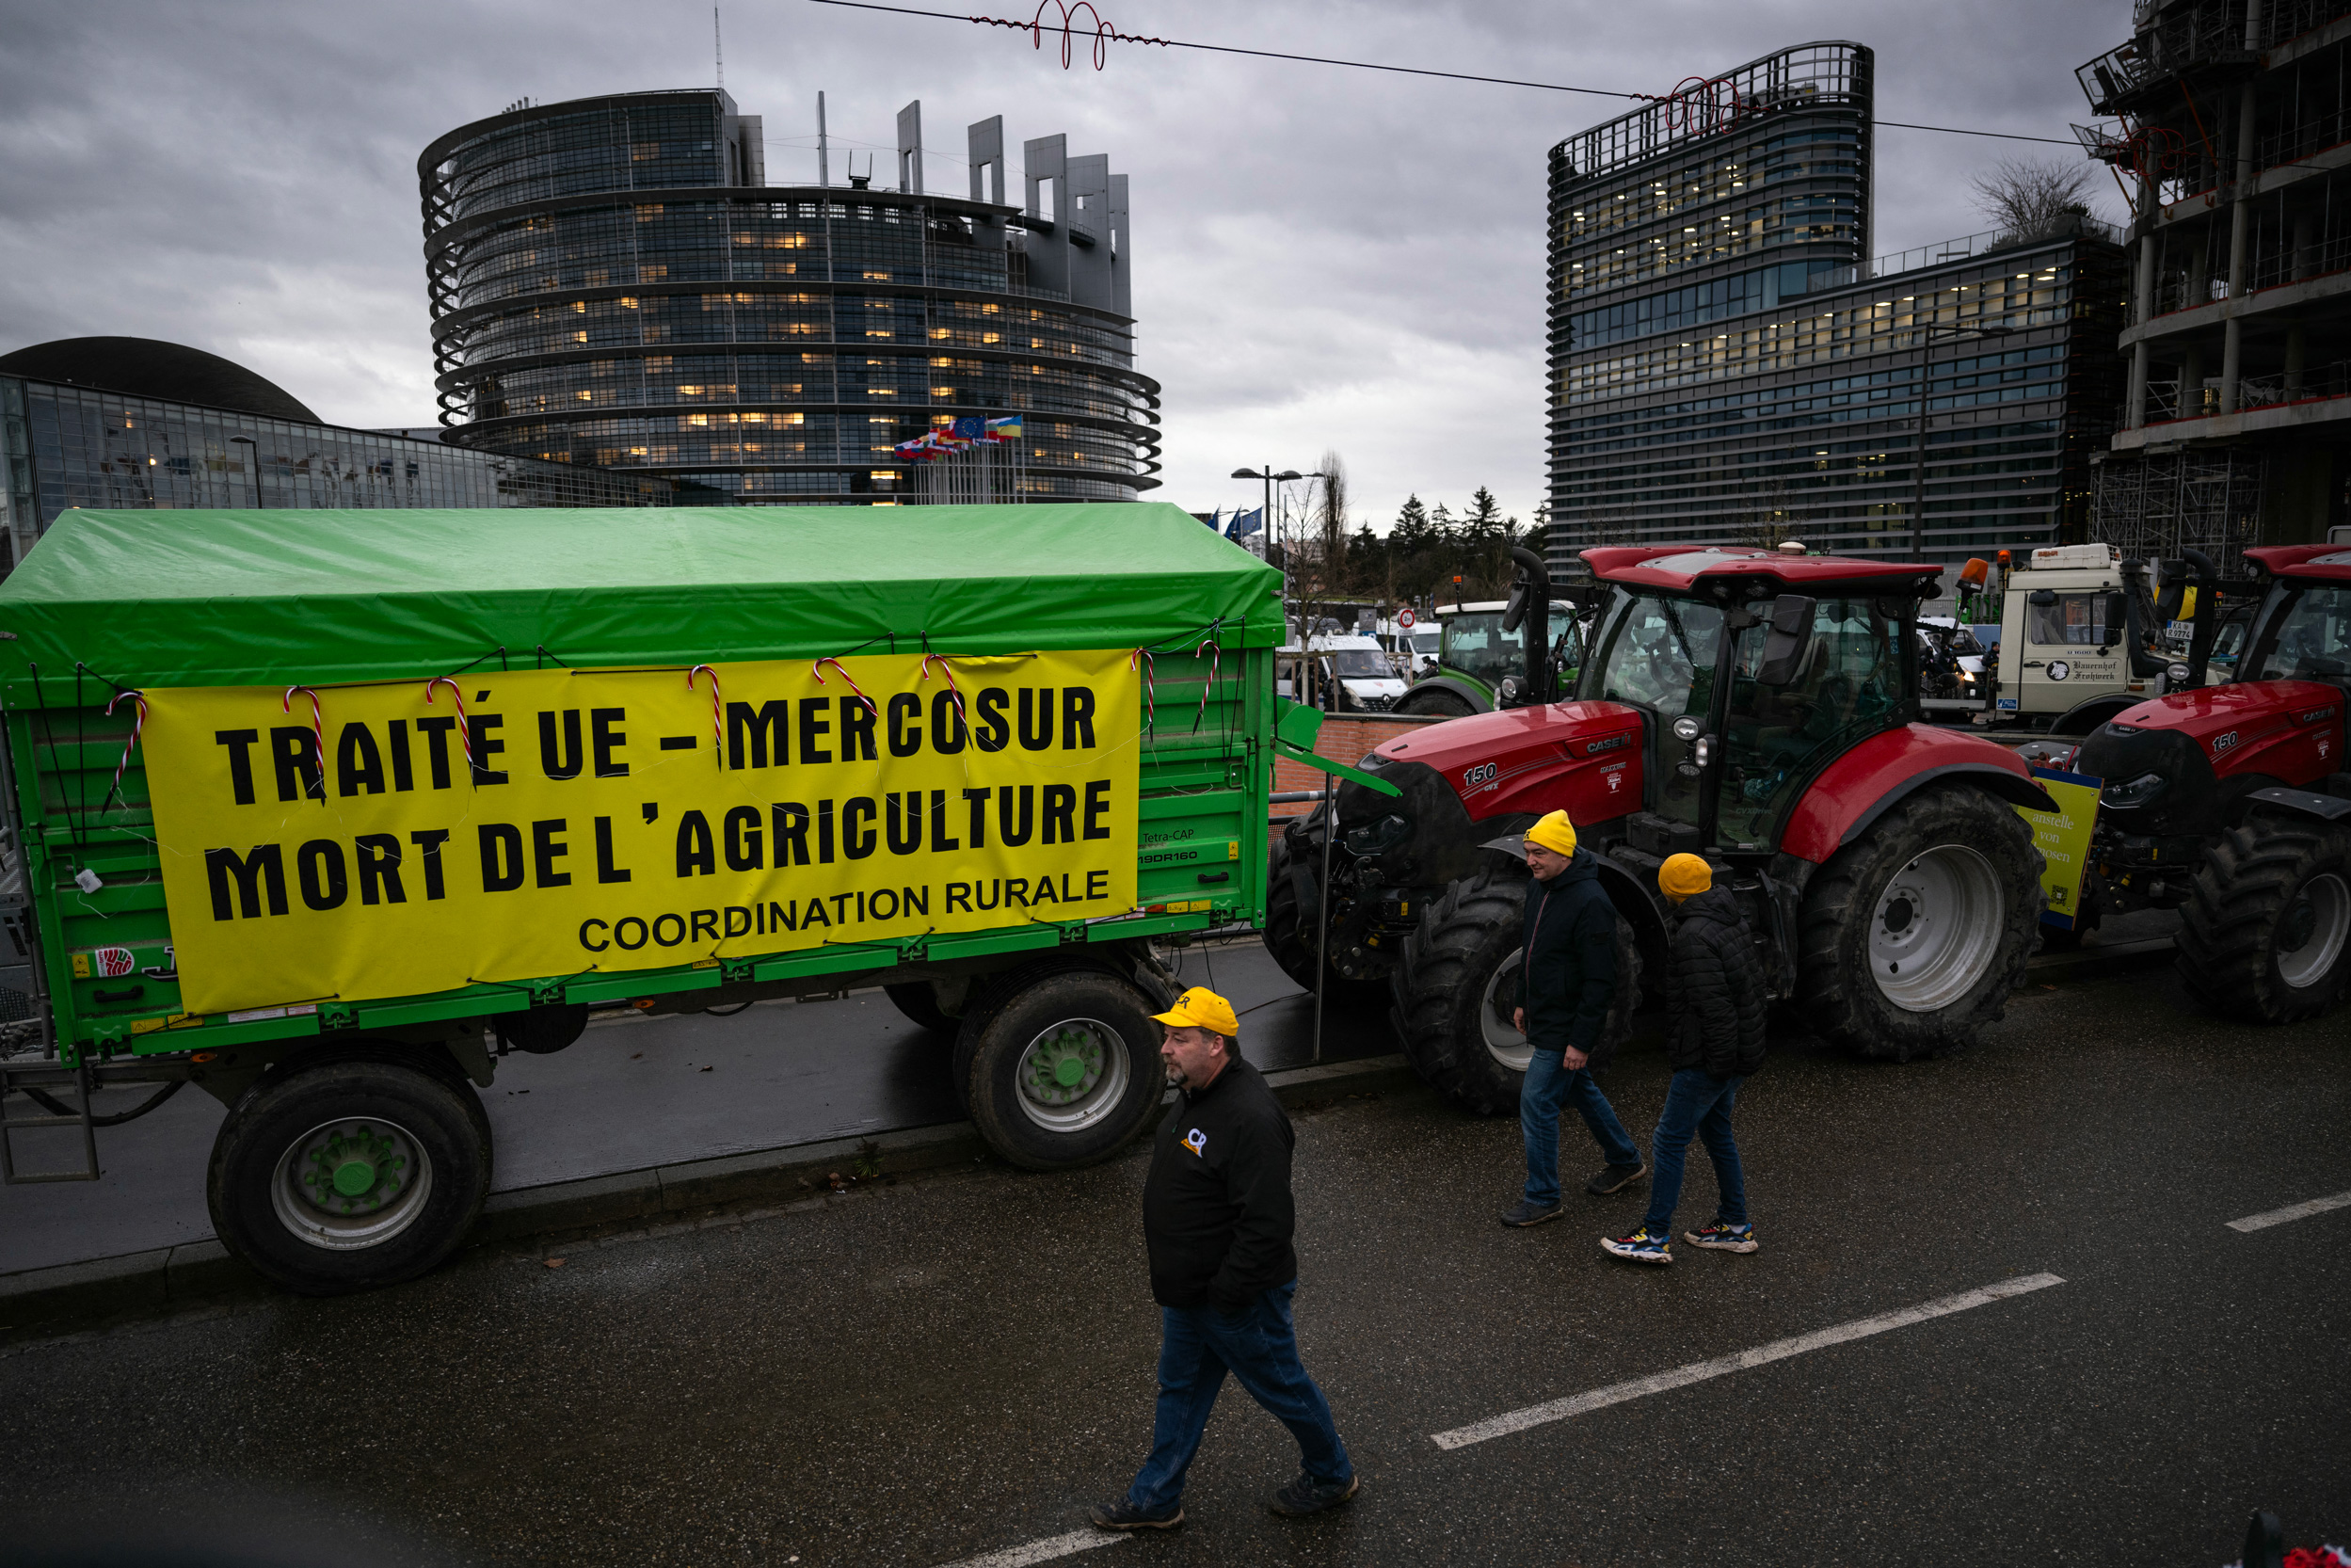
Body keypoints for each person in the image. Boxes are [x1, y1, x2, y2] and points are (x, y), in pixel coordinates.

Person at [1090, 985, 1358, 1532]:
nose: (1165, 1048)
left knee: (1281, 1386)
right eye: (1166, 1036)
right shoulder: (1197, 1091)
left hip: (1233, 1298)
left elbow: (1267, 1226)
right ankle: (1156, 1498)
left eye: (1179, 1039)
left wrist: (1228, 1296)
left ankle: (1333, 1475)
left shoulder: (1250, 1118)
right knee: (1181, 1390)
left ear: (1216, 1045)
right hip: (1192, 1294)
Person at [1604, 853, 1767, 1265]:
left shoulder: (1693, 936)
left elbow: (1712, 1009)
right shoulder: (1730, 916)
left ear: (1669, 891)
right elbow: (1747, 989)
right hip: (1735, 1053)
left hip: (1708, 1058)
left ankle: (1654, 1236)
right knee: (1717, 1134)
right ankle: (1734, 1226)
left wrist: (1713, 1068)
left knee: (1669, 1140)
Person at [1501, 809, 1646, 1227]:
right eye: (1528, 852)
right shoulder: (1540, 887)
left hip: (1565, 1025)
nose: (1530, 860)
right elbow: (1532, 949)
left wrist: (1581, 1042)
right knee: (1580, 1090)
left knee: (1537, 1101)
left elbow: (1601, 982)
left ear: (1564, 854)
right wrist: (1523, 999)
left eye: (1539, 853)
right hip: (1544, 1013)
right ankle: (1625, 1160)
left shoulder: (1592, 902)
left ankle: (1544, 1197)